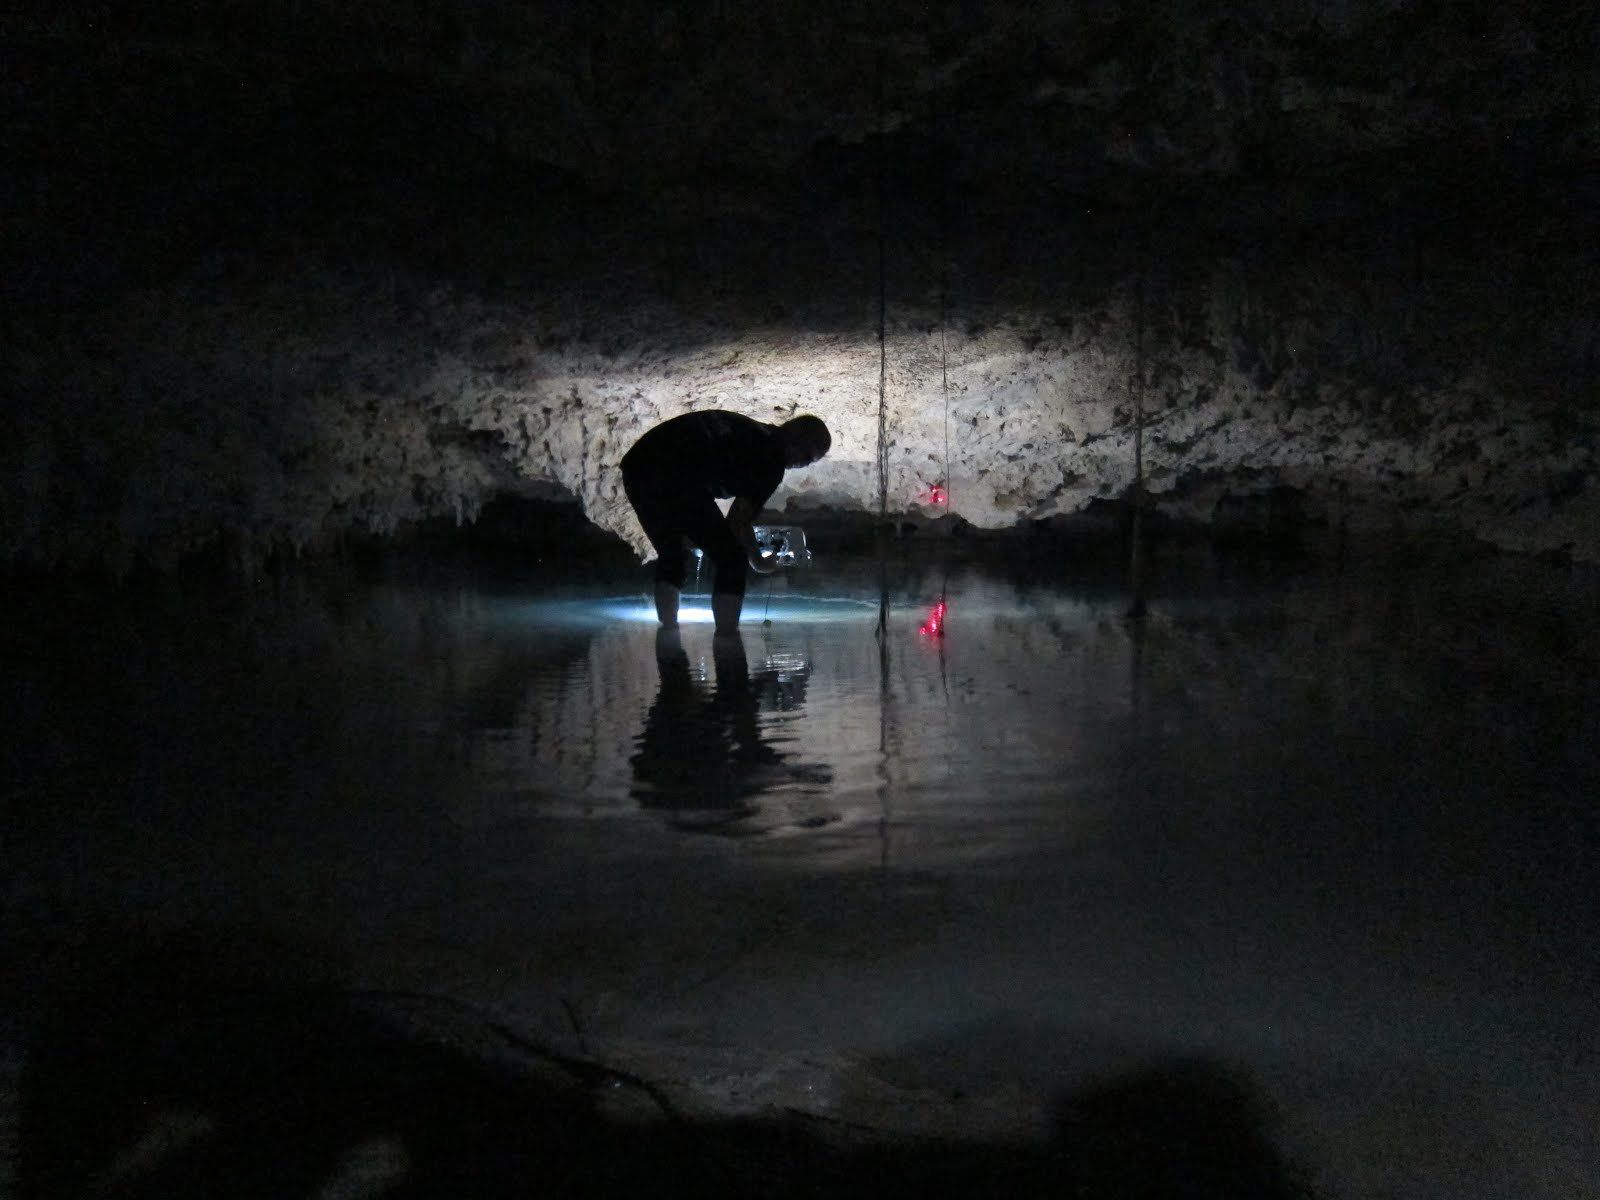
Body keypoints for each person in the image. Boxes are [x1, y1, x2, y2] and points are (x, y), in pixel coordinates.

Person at [620, 410, 831, 632]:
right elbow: (738, 521)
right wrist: (758, 562)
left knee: (673, 552)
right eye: (808, 456)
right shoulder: (771, 459)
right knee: (732, 559)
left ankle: (668, 632)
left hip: (638, 465)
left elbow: (736, 521)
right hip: (675, 474)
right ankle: (727, 636)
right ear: (796, 438)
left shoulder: (755, 432)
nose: (804, 464)